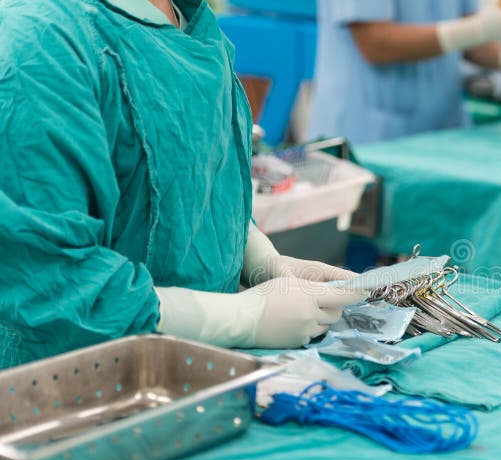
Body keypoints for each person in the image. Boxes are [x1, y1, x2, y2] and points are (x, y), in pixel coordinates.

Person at [0, 0, 364, 369]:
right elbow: (52, 286)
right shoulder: (40, 43)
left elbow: (195, 184)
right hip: (62, 390)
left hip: (192, 374)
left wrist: (257, 258)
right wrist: (243, 317)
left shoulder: (189, 21)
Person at [308, 0, 501, 145]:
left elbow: (469, 40)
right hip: (370, 137)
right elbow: (375, 43)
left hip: (443, 131)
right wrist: (479, 29)